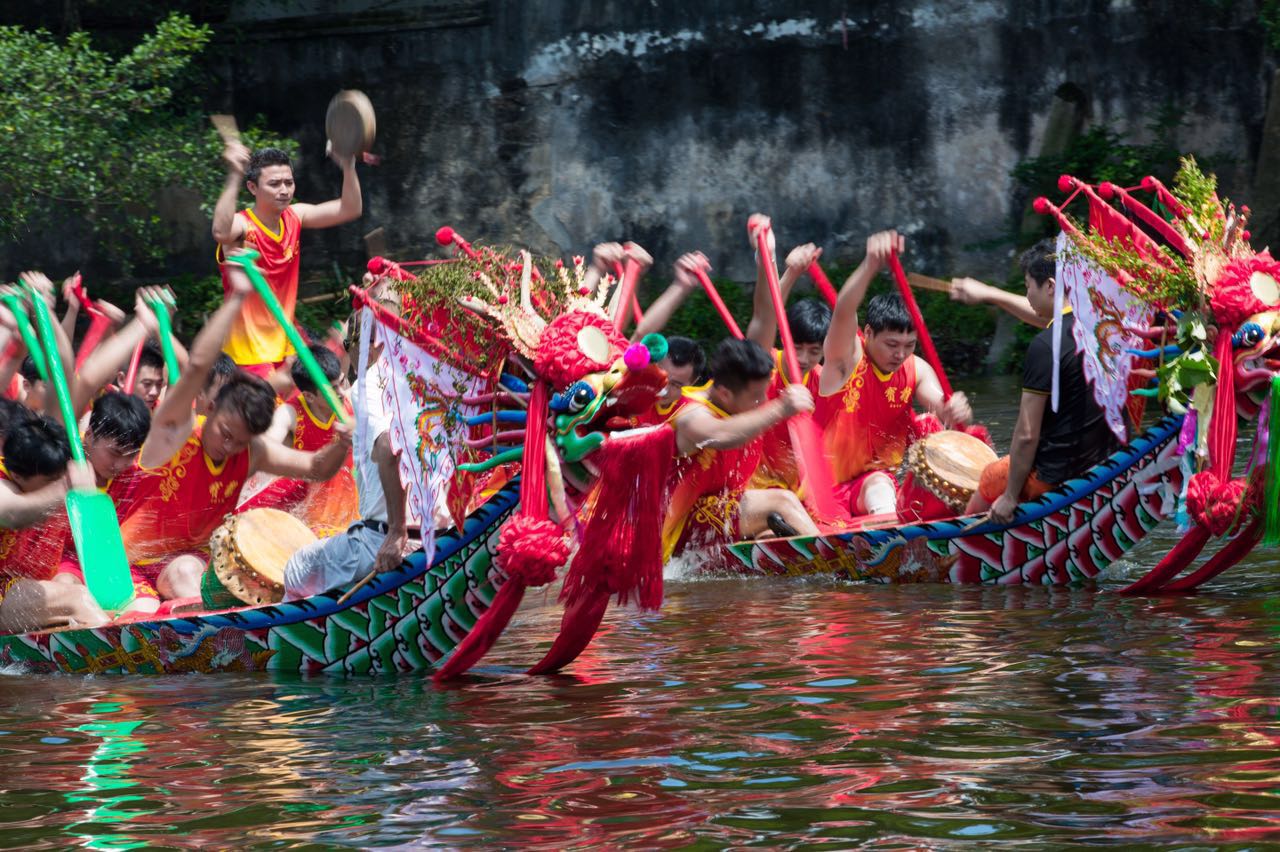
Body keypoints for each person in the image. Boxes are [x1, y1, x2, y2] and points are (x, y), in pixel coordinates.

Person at [119, 259, 352, 601]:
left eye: (240, 442)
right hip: (136, 565)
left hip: (197, 561)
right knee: (188, 573)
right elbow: (198, 365)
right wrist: (237, 297)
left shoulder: (251, 452)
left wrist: (341, 443)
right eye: (226, 434)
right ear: (210, 409)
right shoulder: (177, 430)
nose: (229, 448)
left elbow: (317, 468)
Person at [818, 231, 972, 517]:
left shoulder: (917, 368)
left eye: (909, 345)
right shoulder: (846, 358)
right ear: (867, 333)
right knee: (878, 486)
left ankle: (944, 508)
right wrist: (870, 265)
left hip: (873, 485)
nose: (900, 354)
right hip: (820, 488)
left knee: (931, 428)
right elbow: (843, 311)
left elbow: (941, 407)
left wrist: (954, 409)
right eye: (891, 345)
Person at [282, 294, 419, 601]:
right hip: (436, 536)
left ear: (368, 346)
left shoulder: (367, 385)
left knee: (294, 568)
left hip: (384, 539)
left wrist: (397, 532)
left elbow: (387, 448)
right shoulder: (424, 379)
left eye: (350, 346)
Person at [968, 240, 1115, 523]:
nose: (1027, 295)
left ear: (1049, 286)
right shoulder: (1104, 328)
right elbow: (1049, 320)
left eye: (1027, 286)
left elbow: (1026, 434)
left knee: (990, 477)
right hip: (1104, 469)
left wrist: (1010, 496)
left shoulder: (1045, 346)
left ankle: (958, 551)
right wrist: (989, 294)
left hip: (1056, 477)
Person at [662, 338, 820, 561]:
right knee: (781, 502)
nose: (764, 400)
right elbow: (720, 434)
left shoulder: (739, 395)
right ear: (725, 393)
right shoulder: (691, 414)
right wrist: (781, 408)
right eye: (757, 397)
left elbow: (762, 319)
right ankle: (844, 562)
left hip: (715, 522)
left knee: (770, 538)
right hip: (679, 531)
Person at [212, 144, 362, 376]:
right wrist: (234, 175)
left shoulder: (296, 216)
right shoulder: (243, 225)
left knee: (322, 390)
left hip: (288, 342)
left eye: (288, 182)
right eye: (274, 184)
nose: (284, 190)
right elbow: (221, 232)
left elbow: (350, 208)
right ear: (252, 187)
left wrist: (349, 166)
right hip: (249, 351)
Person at [238, 344, 359, 535]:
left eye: (342, 383)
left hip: (351, 503)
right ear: (309, 396)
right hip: (309, 512)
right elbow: (264, 445)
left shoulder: (353, 401)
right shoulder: (289, 413)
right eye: (333, 390)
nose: (342, 394)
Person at [0, 416, 106, 633]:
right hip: (6, 598)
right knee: (79, 600)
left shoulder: (48, 465)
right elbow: (14, 515)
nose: (58, 480)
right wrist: (66, 487)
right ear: (17, 476)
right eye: (52, 480)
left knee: (70, 583)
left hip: (31, 592)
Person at [52, 392, 157, 609]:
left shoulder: (136, 473)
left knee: (147, 608)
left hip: (115, 568)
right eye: (114, 453)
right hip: (68, 563)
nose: (120, 464)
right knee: (65, 589)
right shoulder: (60, 459)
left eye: (130, 455)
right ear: (89, 435)